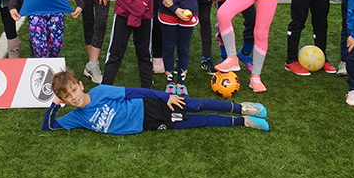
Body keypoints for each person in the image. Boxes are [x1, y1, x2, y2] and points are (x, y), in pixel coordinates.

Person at [42, 69, 270, 134]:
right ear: (64, 100)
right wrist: (54, 105)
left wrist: (166, 96)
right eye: (68, 97)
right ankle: (245, 122)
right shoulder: (75, 117)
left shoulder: (101, 91)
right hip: (146, 124)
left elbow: (135, 91)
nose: (74, 97)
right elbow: (49, 126)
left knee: (196, 105)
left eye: (74, 90)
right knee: (194, 122)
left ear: (80, 85)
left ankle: (242, 108)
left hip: (149, 105)